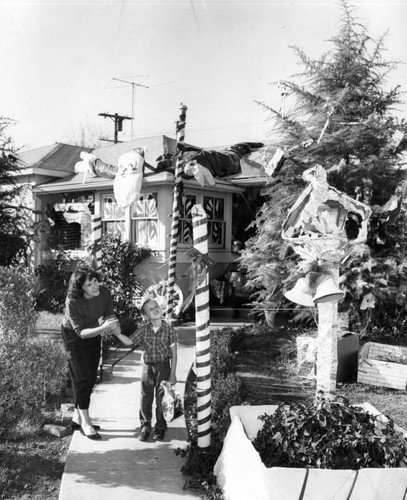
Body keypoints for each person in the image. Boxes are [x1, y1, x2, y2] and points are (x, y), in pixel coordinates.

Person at [61, 266, 120, 440]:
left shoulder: (104, 293)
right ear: (80, 288)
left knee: (91, 376)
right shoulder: (72, 301)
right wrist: (103, 328)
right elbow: (80, 332)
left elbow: (110, 315)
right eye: (89, 284)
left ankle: (76, 419)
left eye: (96, 281)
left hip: (94, 331)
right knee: (81, 378)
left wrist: (117, 328)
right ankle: (86, 422)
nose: (95, 286)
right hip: (73, 336)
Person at [112, 298, 178, 442]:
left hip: (163, 367)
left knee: (162, 397)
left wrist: (172, 373)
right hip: (147, 367)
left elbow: (174, 353)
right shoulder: (144, 329)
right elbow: (129, 341)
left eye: (156, 306)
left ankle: (160, 427)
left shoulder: (169, 330)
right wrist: (117, 334)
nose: (155, 309)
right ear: (146, 316)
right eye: (150, 309)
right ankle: (145, 425)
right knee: (145, 397)